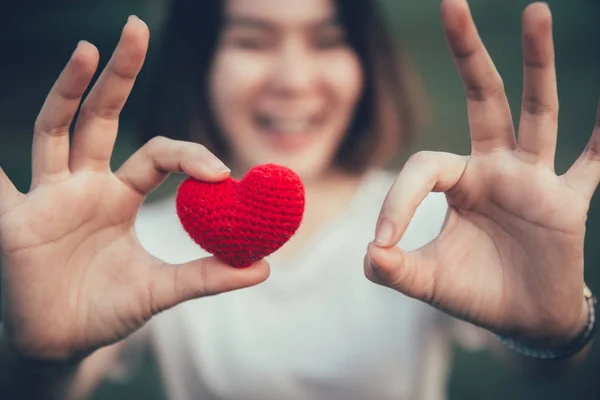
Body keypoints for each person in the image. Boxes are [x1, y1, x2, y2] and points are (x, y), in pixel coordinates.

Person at [0, 0, 597, 399]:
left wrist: (558, 331)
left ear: (365, 64)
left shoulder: (438, 221)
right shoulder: (139, 243)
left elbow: (546, 368)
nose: (292, 78)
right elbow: (52, 384)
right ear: (202, 61)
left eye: (328, 39)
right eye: (252, 40)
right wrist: (42, 357)